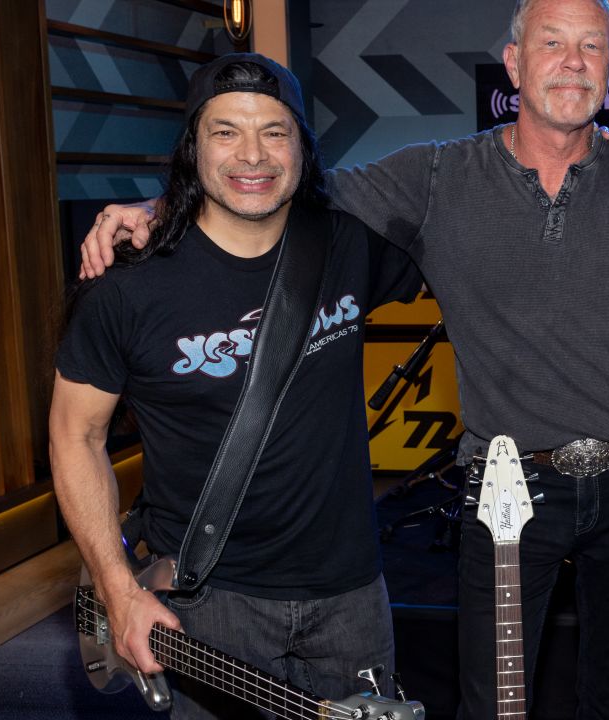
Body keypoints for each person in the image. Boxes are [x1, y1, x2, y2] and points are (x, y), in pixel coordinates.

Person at [76, 2, 609, 717]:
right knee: (492, 704)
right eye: (551, 43)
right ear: (513, 61)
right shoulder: (436, 177)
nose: (571, 63)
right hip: (506, 489)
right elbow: (275, 187)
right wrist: (162, 207)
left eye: (591, 47)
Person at [49, 54, 422, 719]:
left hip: (352, 599)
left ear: (303, 149)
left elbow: (471, 244)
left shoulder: (347, 245)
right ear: (192, 147)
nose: (253, 153)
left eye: (274, 132)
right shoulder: (126, 289)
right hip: (211, 603)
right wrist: (117, 588)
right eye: (225, 132)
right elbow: (75, 434)